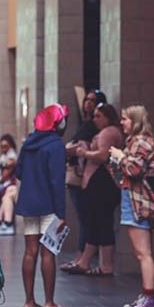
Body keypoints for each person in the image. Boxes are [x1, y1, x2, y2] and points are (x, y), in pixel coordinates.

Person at [15, 104, 69, 307]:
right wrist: (62, 213)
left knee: (30, 251)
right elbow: (57, 181)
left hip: (29, 204)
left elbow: (19, 171)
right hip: (49, 205)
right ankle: (49, 303)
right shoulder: (56, 145)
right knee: (48, 253)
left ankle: (29, 301)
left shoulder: (29, 142)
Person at [109, 105, 154, 307]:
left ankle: (149, 297)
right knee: (141, 252)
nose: (122, 123)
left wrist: (120, 157)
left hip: (139, 201)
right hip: (133, 198)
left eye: (125, 119)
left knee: (143, 253)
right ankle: (146, 294)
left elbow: (134, 169)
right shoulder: (138, 141)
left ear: (135, 121)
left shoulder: (141, 142)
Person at [62, 103, 123, 276]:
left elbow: (104, 155)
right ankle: (94, 262)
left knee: (101, 223)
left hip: (102, 182)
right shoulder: (110, 132)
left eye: (98, 116)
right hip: (101, 182)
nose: (95, 119)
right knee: (97, 222)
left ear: (108, 117)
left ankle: (105, 265)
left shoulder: (108, 132)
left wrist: (83, 153)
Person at [63, 89, 107, 268]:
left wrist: (70, 149)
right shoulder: (85, 123)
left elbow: (79, 146)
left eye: (93, 100)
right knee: (84, 217)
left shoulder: (92, 127)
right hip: (78, 174)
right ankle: (81, 257)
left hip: (85, 176)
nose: (88, 102)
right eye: (87, 99)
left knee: (86, 218)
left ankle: (83, 258)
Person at [0, 134, 18, 235]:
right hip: (5, 186)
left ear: (10, 145)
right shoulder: (4, 156)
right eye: (2, 146)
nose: (3, 149)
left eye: (5, 146)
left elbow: (5, 175)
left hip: (7, 185)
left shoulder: (11, 156)